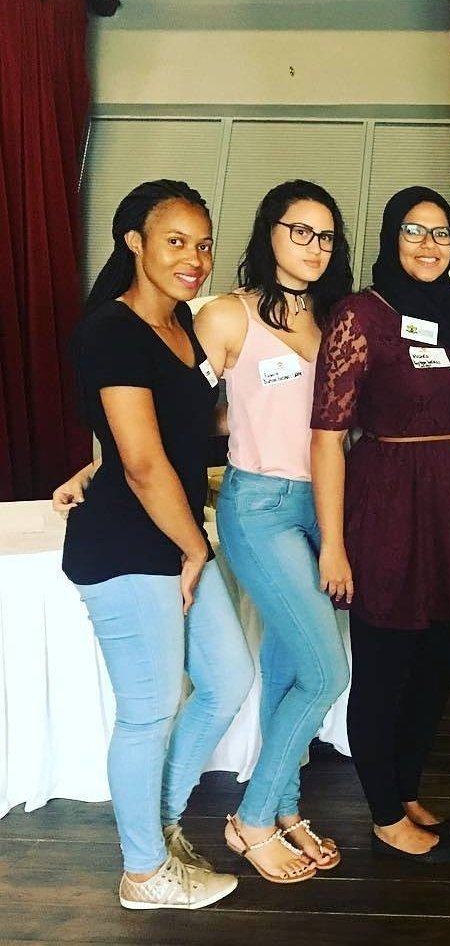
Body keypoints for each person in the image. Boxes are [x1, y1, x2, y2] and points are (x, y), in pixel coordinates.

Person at [56, 180, 254, 909]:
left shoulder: (184, 329)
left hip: (169, 536)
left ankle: (160, 825)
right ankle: (143, 871)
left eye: (203, 244)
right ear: (134, 242)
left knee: (227, 680)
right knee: (148, 709)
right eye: (176, 241)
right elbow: (141, 461)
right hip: (127, 546)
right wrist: (195, 550)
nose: (194, 258)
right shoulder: (111, 330)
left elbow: (177, 430)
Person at [310, 186, 450, 863]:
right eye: (414, 231)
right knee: (385, 667)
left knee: (439, 660)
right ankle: (385, 815)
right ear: (391, 237)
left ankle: (406, 788)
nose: (429, 244)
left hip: (446, 506)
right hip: (386, 503)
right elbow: (327, 435)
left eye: (441, 233)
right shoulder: (362, 314)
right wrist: (334, 544)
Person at [193, 180, 353, 883]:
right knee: (327, 671)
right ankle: (252, 818)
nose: (315, 247)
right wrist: (96, 468)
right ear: (270, 233)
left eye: (326, 236)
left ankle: (285, 807)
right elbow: (173, 408)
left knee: (291, 667)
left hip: (324, 505)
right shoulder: (227, 315)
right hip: (260, 506)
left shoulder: (333, 321)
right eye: (300, 231)